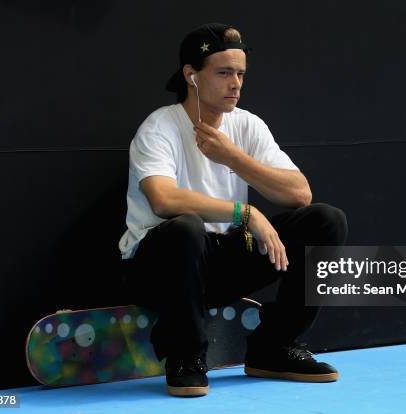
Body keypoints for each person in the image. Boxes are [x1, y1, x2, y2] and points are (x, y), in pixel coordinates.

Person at [118, 22, 348, 397]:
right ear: (191, 76)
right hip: (158, 267)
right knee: (185, 227)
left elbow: (299, 193)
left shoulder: (247, 126)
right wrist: (246, 213)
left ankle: (274, 347)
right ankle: (186, 356)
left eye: (240, 74)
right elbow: (164, 200)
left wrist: (235, 158)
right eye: (224, 73)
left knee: (326, 221)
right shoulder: (160, 127)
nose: (236, 84)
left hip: (220, 262)